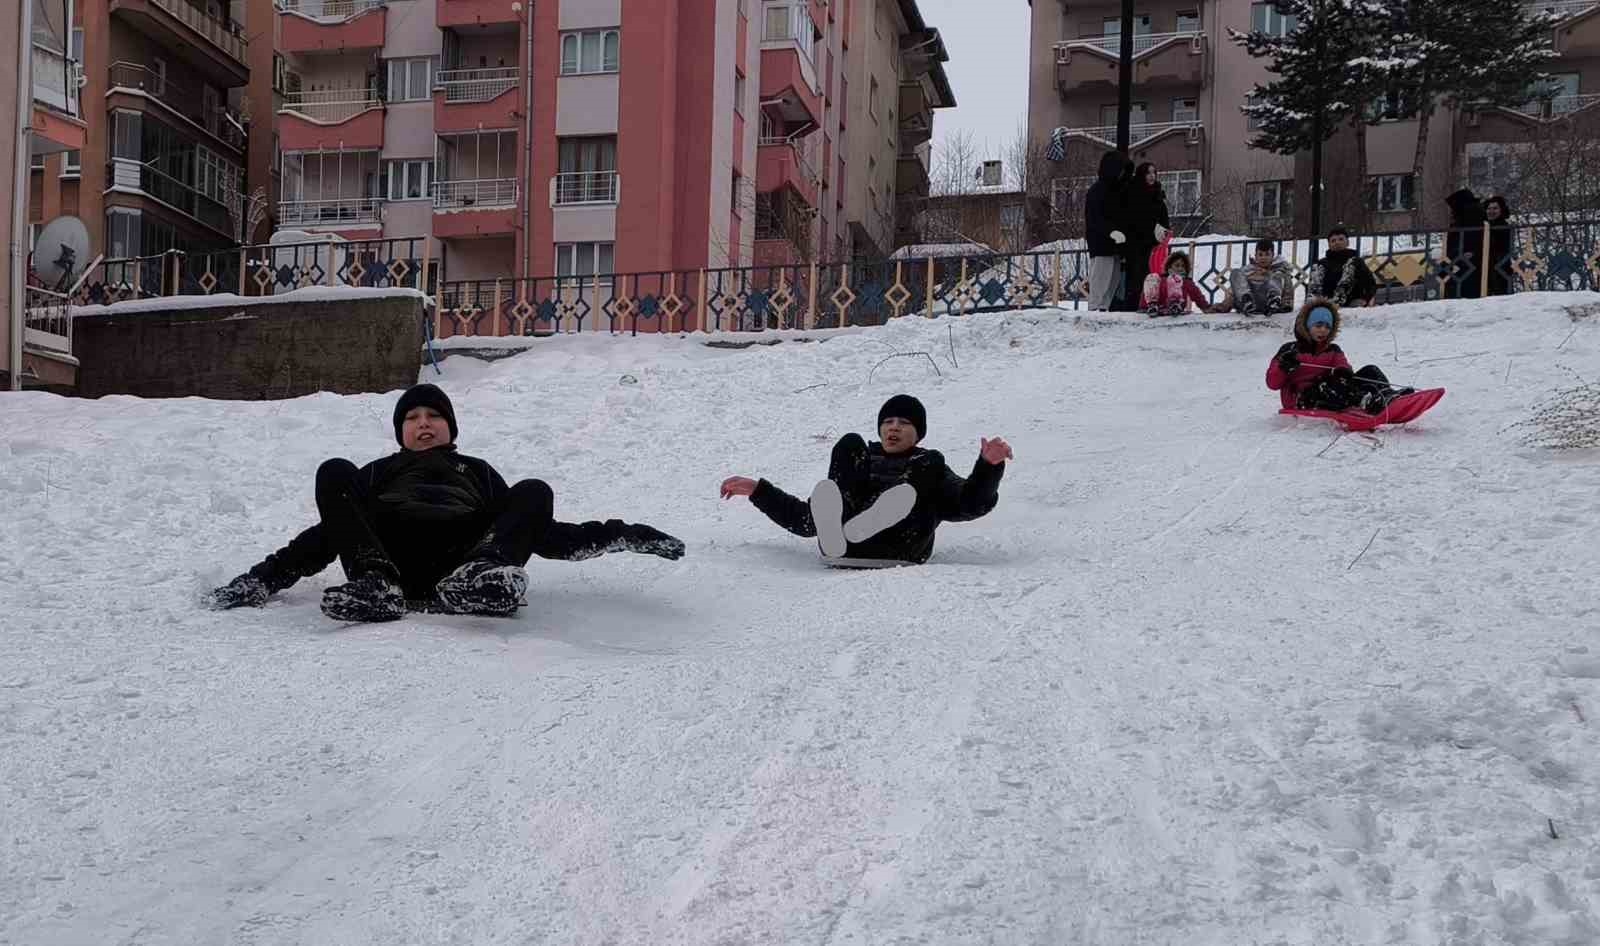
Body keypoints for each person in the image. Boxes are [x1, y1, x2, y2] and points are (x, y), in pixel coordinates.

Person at [206, 384, 686, 622]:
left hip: (462, 560)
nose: (424, 423)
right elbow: (327, 535)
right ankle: (377, 587)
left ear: (451, 427)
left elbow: (544, 533)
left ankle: (484, 578)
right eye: (412, 417)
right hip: (388, 558)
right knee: (334, 470)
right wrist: (261, 580)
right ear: (400, 431)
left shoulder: (477, 471)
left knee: (534, 490)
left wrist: (629, 534)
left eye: (435, 415)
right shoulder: (377, 472)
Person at [719, 395, 1012, 565]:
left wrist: (988, 466)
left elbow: (968, 503)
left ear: (918, 433)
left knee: (928, 462)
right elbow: (807, 521)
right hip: (844, 547)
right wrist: (757, 490)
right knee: (849, 443)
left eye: (904, 423)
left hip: (900, 547)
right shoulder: (860, 460)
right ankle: (847, 532)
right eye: (888, 422)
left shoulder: (927, 465)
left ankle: (874, 520)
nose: (894, 428)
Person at [1267, 300, 1411, 414]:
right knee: (1331, 386)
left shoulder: (1333, 350)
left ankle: (1389, 396)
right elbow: (1272, 384)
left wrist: (1343, 371)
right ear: (1307, 326)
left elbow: (1343, 366)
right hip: (1302, 399)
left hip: (1330, 390)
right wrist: (1283, 367)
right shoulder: (1290, 350)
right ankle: (1364, 401)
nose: (1323, 330)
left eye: (1327, 327)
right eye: (1318, 325)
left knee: (1369, 371)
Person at [1116, 162, 1172, 312]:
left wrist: (1162, 232)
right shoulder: (1133, 193)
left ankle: (1152, 303)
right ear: (1142, 175)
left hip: (1154, 245)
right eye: (1148, 173)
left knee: (1153, 275)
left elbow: (1164, 219)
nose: (1152, 176)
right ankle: (1134, 305)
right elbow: (1129, 219)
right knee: (1136, 276)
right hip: (1136, 244)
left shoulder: (1158, 193)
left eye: (1154, 172)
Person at [1084, 151, 1131, 311]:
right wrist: (1111, 231)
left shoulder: (1118, 191)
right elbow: (1095, 219)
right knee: (1100, 281)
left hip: (1117, 246)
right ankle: (1095, 309)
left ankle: (1103, 309)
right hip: (1102, 246)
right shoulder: (1097, 191)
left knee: (1112, 282)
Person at [1308, 227, 1377, 308]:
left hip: (1353, 304)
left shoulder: (1356, 262)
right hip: (1325, 306)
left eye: (1341, 239)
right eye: (1333, 241)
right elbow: (1313, 288)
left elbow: (1369, 283)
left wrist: (1367, 299)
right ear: (1329, 244)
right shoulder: (1321, 264)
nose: (1337, 243)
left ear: (1347, 242)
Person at [1229, 238, 1294, 316]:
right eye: (1260, 254)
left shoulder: (1280, 269)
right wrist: (1224, 306)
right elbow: (1236, 289)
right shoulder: (1248, 270)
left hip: (1267, 303)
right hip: (1250, 303)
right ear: (1255, 256)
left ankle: (1273, 300)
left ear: (1272, 255)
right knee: (1235, 272)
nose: (1263, 257)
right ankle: (1246, 300)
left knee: (1278, 274)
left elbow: (1288, 288)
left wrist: (1287, 305)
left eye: (1267, 254)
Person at [1141, 250, 1215, 316]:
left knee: (1174, 281)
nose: (1180, 268)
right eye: (1177, 265)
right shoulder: (1161, 279)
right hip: (1157, 308)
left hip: (1176, 308)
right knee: (1152, 278)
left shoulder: (1186, 282)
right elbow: (1148, 290)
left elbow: (1197, 296)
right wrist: (1143, 307)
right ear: (1169, 267)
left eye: (1183, 266)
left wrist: (1206, 307)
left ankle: (1174, 304)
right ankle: (1151, 306)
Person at [1444, 188, 1486, 299]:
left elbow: (1468, 238)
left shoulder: (1468, 216)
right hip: (1465, 260)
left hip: (1464, 261)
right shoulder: (1473, 214)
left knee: (1463, 291)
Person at [1484, 195, 1515, 297]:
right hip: (1485, 269)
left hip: (1500, 267)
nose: (1491, 211)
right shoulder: (1484, 226)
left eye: (1495, 208)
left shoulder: (1504, 226)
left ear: (1501, 210)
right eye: (1488, 208)